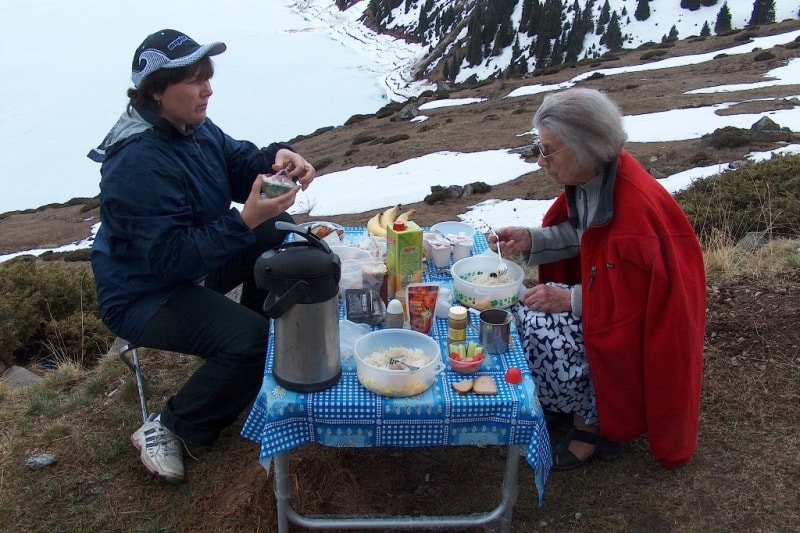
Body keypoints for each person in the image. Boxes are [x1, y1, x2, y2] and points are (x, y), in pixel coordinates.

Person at [88, 29, 316, 484]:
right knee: (252, 340)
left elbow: (235, 164)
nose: (207, 89)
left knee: (274, 236)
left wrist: (277, 160)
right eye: (194, 80)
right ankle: (169, 427)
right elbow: (171, 261)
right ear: (156, 91)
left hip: (188, 268)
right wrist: (241, 222)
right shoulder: (136, 163)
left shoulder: (189, 126)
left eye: (207, 77)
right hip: (143, 294)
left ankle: (246, 362)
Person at [490, 88, 706, 470]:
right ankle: (565, 403)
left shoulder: (637, 211)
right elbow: (584, 237)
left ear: (585, 146)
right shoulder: (593, 181)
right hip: (600, 300)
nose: (541, 162)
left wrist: (568, 300)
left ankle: (592, 423)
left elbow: (642, 302)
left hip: (632, 328)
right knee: (519, 315)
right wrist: (532, 239)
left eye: (549, 150)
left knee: (542, 329)